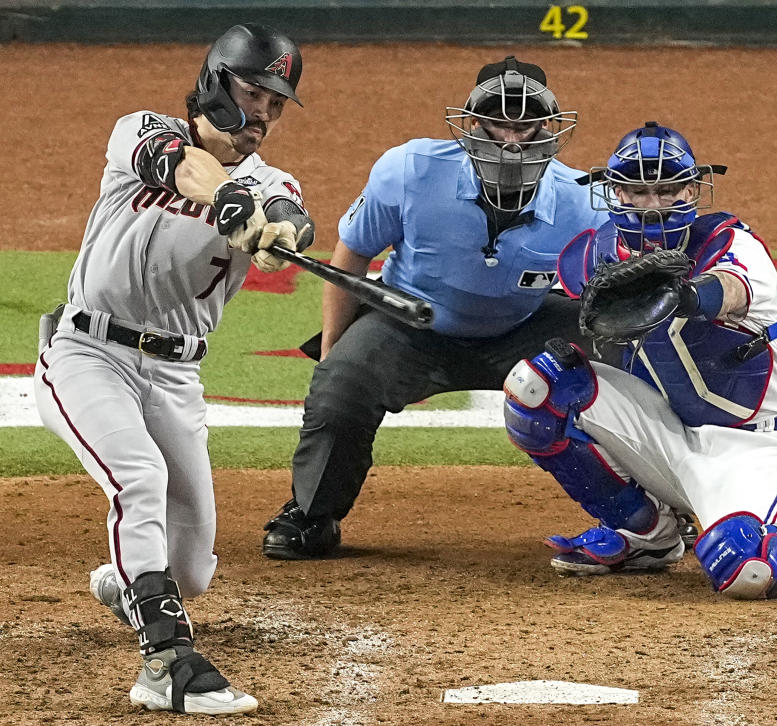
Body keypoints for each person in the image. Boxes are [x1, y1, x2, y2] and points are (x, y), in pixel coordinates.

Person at [502, 121, 777, 598]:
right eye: (637, 191)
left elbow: (729, 290)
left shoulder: (732, 246)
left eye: (668, 190)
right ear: (614, 192)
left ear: (692, 189)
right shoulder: (593, 257)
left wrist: (678, 296)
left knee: (749, 568)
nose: (652, 205)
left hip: (759, 444)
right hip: (670, 429)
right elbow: (563, 326)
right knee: (534, 386)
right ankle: (647, 535)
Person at [33, 23, 313, 713]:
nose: (263, 117)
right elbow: (184, 167)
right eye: (254, 95)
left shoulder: (269, 181)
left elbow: (288, 211)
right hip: (87, 353)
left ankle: (130, 585)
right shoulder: (142, 130)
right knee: (138, 477)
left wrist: (281, 228)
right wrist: (229, 203)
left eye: (277, 104)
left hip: (176, 378)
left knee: (190, 570)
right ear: (217, 83)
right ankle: (165, 663)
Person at [261, 55, 607, 559]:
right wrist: (334, 355)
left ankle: (646, 516)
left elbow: (604, 287)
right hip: (411, 323)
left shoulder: (583, 200)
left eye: (525, 125)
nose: (511, 141)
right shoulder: (409, 171)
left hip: (523, 325)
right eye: (497, 123)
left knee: (626, 367)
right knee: (342, 387)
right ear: (470, 125)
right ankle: (314, 515)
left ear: (548, 129)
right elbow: (350, 258)